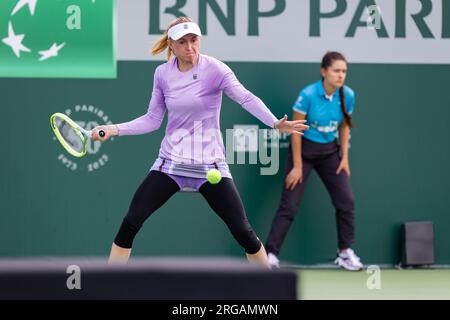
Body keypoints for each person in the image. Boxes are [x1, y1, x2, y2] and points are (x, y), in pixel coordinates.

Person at [91, 17, 308, 268]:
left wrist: (274, 122)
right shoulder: (162, 74)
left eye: (194, 40)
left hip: (210, 166)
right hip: (170, 164)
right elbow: (152, 119)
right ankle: (108, 284)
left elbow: (245, 98)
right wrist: (114, 129)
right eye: (182, 42)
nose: (190, 47)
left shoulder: (216, 69)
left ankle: (269, 288)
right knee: (131, 222)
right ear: (171, 45)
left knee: (243, 232)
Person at [265, 52, 363, 271]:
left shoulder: (348, 95)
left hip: (330, 153)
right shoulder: (307, 95)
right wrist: (298, 166)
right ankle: (270, 254)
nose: (341, 75)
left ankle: (345, 252)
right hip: (304, 152)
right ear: (324, 71)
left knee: (346, 202)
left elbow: (345, 126)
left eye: (344, 71)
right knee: (289, 206)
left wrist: (344, 157)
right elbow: (296, 132)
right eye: (336, 70)